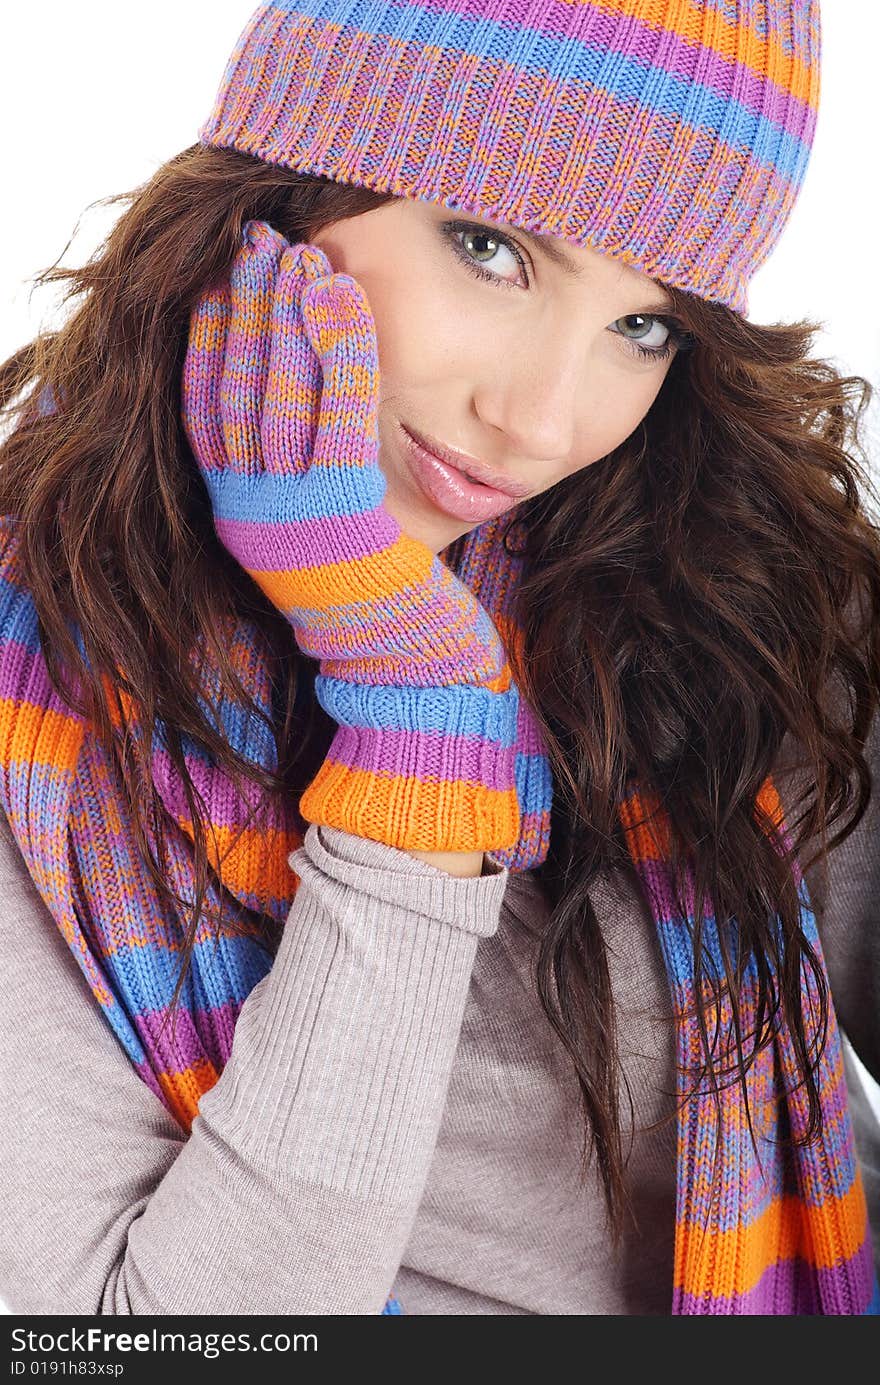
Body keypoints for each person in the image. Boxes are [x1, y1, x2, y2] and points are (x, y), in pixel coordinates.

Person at [0, 0, 878, 1316]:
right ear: (285, 192)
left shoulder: (731, 575)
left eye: (647, 327)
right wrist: (414, 719)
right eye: (490, 248)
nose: (538, 420)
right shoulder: (44, 691)